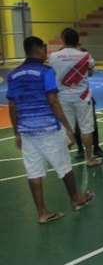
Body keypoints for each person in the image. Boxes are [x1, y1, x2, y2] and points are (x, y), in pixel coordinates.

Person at [7, 36, 96, 225]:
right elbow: (53, 101)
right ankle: (75, 199)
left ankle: (42, 212)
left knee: (34, 171)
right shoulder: (45, 72)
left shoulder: (13, 75)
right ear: (38, 49)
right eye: (44, 48)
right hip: (48, 128)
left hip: (27, 131)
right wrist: (68, 128)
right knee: (64, 165)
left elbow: (12, 107)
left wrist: (17, 133)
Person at [48, 28, 102, 168]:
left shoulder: (53, 56)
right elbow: (90, 72)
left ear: (63, 40)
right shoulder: (85, 56)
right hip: (82, 97)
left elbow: (52, 73)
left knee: (66, 130)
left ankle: (64, 161)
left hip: (63, 98)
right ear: (77, 41)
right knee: (86, 129)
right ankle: (89, 158)